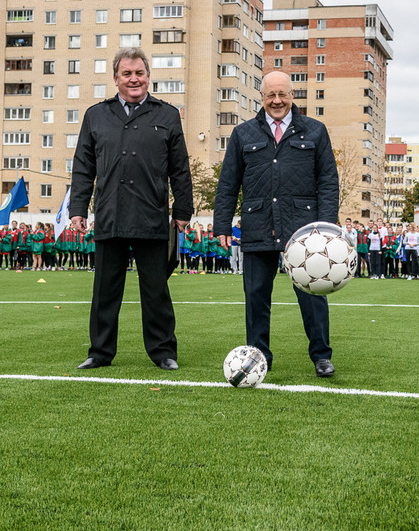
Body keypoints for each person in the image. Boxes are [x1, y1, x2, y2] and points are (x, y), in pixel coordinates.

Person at [70, 47, 194, 370]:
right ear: (115, 78)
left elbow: (180, 169)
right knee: (105, 292)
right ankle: (99, 352)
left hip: (151, 215)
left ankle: (164, 351)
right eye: (127, 74)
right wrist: (78, 209)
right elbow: (83, 166)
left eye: (139, 73)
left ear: (148, 77)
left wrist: (183, 210)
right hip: (109, 214)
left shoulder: (167, 115)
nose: (134, 79)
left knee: (156, 290)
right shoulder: (95, 116)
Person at [214, 70, 339, 378]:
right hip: (258, 225)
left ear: (292, 95)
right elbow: (228, 184)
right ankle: (258, 358)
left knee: (312, 297)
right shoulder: (243, 134)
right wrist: (221, 226)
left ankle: (321, 356)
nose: (277, 100)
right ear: (262, 97)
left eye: (282, 94)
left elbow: (328, 182)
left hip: (304, 231)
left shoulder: (315, 131)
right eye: (271, 95)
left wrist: (325, 228)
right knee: (256, 297)